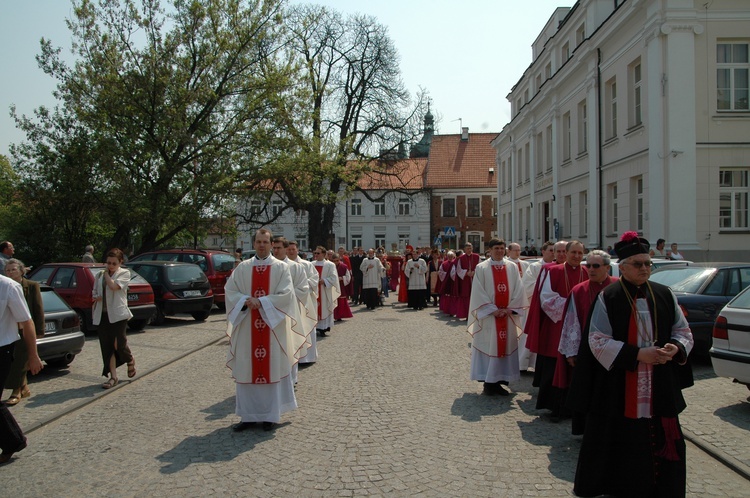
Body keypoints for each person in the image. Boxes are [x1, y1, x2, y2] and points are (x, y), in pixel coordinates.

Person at [569, 231, 694, 497]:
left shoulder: (664, 293)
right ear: (623, 267)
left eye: (648, 263)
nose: (645, 268)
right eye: (638, 264)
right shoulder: (609, 296)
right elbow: (596, 338)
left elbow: (683, 331)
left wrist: (675, 348)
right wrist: (637, 355)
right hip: (620, 383)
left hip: (659, 380)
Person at [225, 229, 305, 431]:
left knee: (272, 367)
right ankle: (248, 416)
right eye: (258, 241)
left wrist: (261, 302)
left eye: (265, 242)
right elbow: (230, 291)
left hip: (272, 329)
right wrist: (245, 301)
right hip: (247, 327)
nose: (262, 245)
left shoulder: (280, 268)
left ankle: (270, 415)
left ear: (271, 245)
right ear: (253, 244)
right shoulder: (243, 268)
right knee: (247, 367)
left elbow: (286, 295)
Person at [555, 250, 617, 435]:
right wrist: (571, 351)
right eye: (587, 265)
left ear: (607, 267)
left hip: (613, 351)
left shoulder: (617, 287)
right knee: (586, 391)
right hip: (586, 351)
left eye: (595, 266)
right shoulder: (579, 290)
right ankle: (587, 430)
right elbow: (571, 322)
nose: (590, 269)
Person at [526, 240, 587, 421]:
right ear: (566, 254)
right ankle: (554, 407)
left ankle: (574, 408)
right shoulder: (552, 271)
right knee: (554, 368)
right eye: (573, 253)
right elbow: (546, 299)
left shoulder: (586, 272)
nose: (576, 256)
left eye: (579, 253)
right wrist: (572, 308)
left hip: (580, 328)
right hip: (557, 326)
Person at [468, 239, 527, 396]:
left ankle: (502, 379)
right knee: (490, 346)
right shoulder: (481, 268)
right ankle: (489, 383)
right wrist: (492, 310)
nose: (500, 251)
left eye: (502, 248)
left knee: (506, 347)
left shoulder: (512, 267)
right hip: (489, 317)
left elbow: (518, 289)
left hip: (506, 316)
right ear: (490, 250)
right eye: (496, 248)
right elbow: (478, 292)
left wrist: (509, 309)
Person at [0, 272, 43, 465]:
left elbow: (27, 322)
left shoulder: (8, 286)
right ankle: (13, 441)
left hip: (2, 350)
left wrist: (33, 356)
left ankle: (13, 442)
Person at [271, 237, 314, 385]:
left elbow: (303, 289)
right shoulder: (267, 266)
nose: (276, 251)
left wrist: (283, 297)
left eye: (279, 248)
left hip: (290, 312)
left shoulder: (296, 267)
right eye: (274, 248)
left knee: (290, 344)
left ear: (285, 248)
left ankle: (291, 379)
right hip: (271, 313)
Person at [93, 248, 136, 388]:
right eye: (108, 263)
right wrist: (96, 297)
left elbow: (113, 286)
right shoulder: (99, 275)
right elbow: (94, 291)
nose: (110, 266)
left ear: (120, 262)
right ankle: (113, 377)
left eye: (113, 263)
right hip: (103, 314)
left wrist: (106, 275)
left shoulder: (124, 273)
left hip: (118, 315)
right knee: (108, 347)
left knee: (119, 344)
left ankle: (130, 360)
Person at [3, 259, 43, 406]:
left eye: (13, 269)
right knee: (17, 361)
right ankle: (24, 387)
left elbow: (38, 309)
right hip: (9, 330)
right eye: (7, 270)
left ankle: (16, 391)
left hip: (25, 329)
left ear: (21, 270)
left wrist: (39, 331)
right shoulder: (4, 287)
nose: (10, 272)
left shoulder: (31, 286)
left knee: (20, 361)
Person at [288, 241, 319, 366]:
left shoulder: (306, 265)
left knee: (306, 326)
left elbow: (314, 279)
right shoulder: (281, 265)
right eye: (289, 249)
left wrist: (302, 284)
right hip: (288, 302)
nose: (291, 251)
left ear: (297, 250)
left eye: (293, 249)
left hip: (304, 302)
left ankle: (308, 357)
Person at [312, 246, 339, 336]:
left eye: (318, 253)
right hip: (314, 291)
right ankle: (315, 327)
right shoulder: (311, 264)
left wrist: (324, 281)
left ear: (324, 254)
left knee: (324, 308)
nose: (316, 255)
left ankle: (324, 328)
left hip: (324, 291)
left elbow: (334, 277)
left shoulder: (330, 265)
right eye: (315, 253)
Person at [455, 242, 480, 320]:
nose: (469, 250)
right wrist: (466, 273)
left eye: (470, 248)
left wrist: (474, 272)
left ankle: (475, 315)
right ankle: (466, 315)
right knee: (465, 297)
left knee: (475, 297)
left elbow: (480, 266)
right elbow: (458, 270)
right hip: (465, 281)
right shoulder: (461, 258)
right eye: (467, 248)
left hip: (475, 279)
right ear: (464, 249)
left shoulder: (477, 257)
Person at [331, 253, 353, 320]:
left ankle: (339, 316)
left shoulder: (344, 266)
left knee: (341, 302)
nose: (335, 262)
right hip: (332, 287)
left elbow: (348, 277)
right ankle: (332, 316)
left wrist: (342, 278)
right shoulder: (330, 266)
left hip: (341, 286)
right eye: (334, 261)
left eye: (337, 260)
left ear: (339, 259)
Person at [438, 251, 457, 316]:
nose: (450, 258)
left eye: (451, 256)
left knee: (454, 295)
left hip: (454, 282)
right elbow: (440, 272)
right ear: (447, 256)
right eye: (449, 256)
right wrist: (447, 275)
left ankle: (454, 310)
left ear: (454, 256)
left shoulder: (455, 263)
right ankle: (447, 309)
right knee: (447, 295)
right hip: (446, 281)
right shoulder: (444, 264)